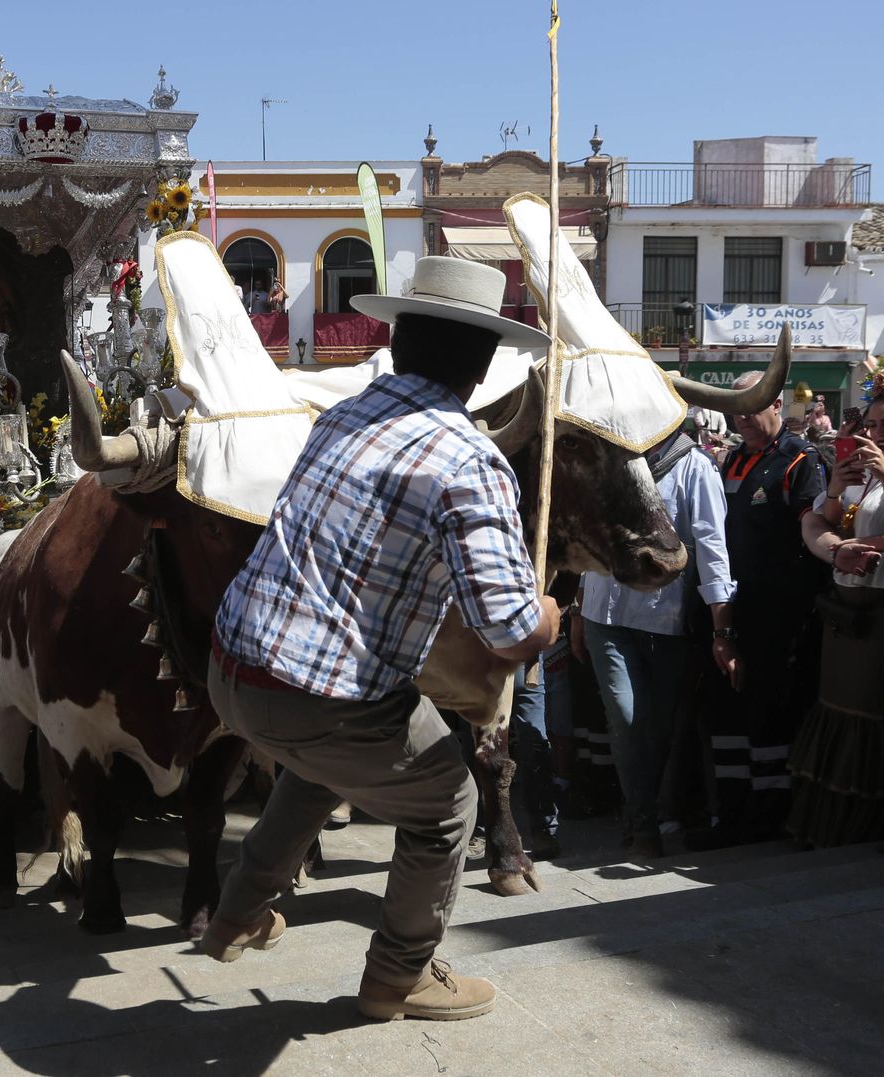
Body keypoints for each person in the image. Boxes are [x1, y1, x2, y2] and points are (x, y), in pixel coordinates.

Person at [200, 258, 558, 1022]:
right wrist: (549, 615)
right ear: (483, 367)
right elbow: (507, 631)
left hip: (230, 669)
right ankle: (400, 975)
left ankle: (235, 914)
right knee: (449, 803)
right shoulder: (470, 459)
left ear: (396, 342)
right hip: (318, 697)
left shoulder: (342, 413)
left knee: (320, 770)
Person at [572, 424, 739, 858]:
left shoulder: (695, 467)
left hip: (662, 618)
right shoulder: (610, 457)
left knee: (659, 728)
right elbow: (591, 535)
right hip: (602, 613)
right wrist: (578, 608)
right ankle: (643, 825)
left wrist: (722, 629)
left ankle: (652, 814)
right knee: (625, 719)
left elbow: (712, 549)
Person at [691, 370, 825, 850]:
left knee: (769, 712)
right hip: (729, 610)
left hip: (779, 614)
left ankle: (768, 820)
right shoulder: (729, 460)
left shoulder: (801, 459)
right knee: (725, 711)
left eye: (753, 406)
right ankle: (730, 818)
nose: (743, 417)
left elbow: (813, 525)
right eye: (736, 409)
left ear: (778, 405)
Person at [791, 390, 884, 847]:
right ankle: (826, 826)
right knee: (835, 708)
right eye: (871, 424)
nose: (877, 433)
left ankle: (874, 825)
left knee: (871, 714)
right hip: (843, 610)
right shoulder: (858, 472)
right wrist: (836, 490)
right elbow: (823, 520)